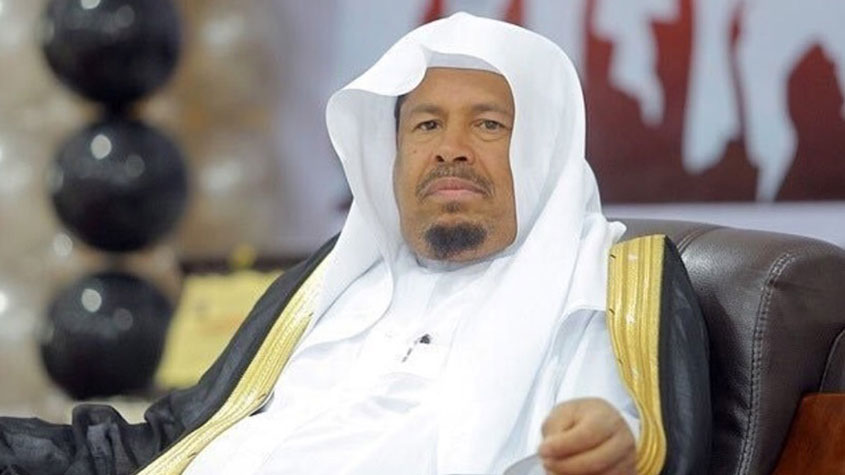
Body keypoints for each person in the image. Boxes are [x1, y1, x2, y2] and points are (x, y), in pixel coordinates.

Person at [0, 12, 710, 475]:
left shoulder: (614, 283)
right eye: (425, 125)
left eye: (488, 124)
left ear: (544, 149)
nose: (450, 148)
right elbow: (171, 438)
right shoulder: (332, 285)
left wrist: (616, 445)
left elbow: (648, 441)